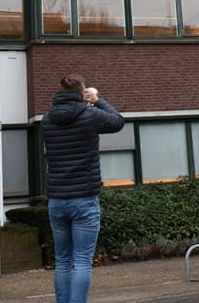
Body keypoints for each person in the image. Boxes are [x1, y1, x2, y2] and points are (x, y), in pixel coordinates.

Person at [43, 74, 124, 303]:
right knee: (82, 261)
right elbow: (117, 121)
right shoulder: (90, 115)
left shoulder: (47, 119)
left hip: (57, 200)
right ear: (82, 93)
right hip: (84, 199)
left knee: (62, 261)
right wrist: (97, 100)